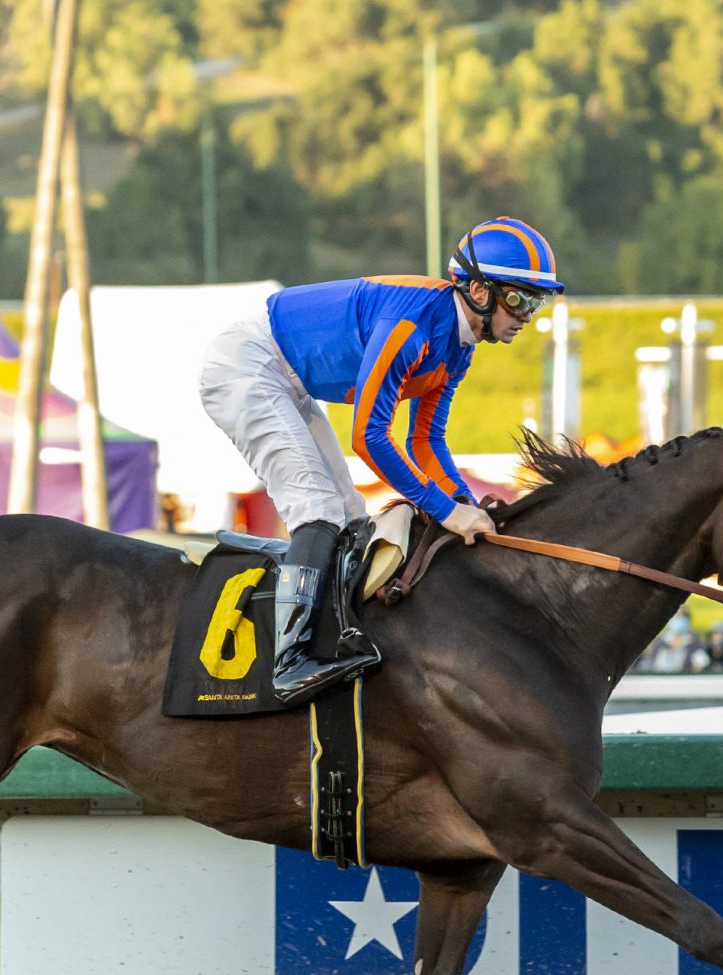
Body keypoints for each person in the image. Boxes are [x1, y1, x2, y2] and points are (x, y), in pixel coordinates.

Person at [199, 217, 562, 702]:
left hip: (286, 377)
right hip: (248, 365)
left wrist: (467, 504)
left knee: (351, 517)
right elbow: (369, 436)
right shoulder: (412, 326)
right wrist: (446, 510)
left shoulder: (459, 349)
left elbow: (426, 441)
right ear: (478, 290)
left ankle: (331, 632)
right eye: (519, 299)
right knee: (318, 508)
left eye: (536, 302)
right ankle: (288, 660)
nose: (527, 316)